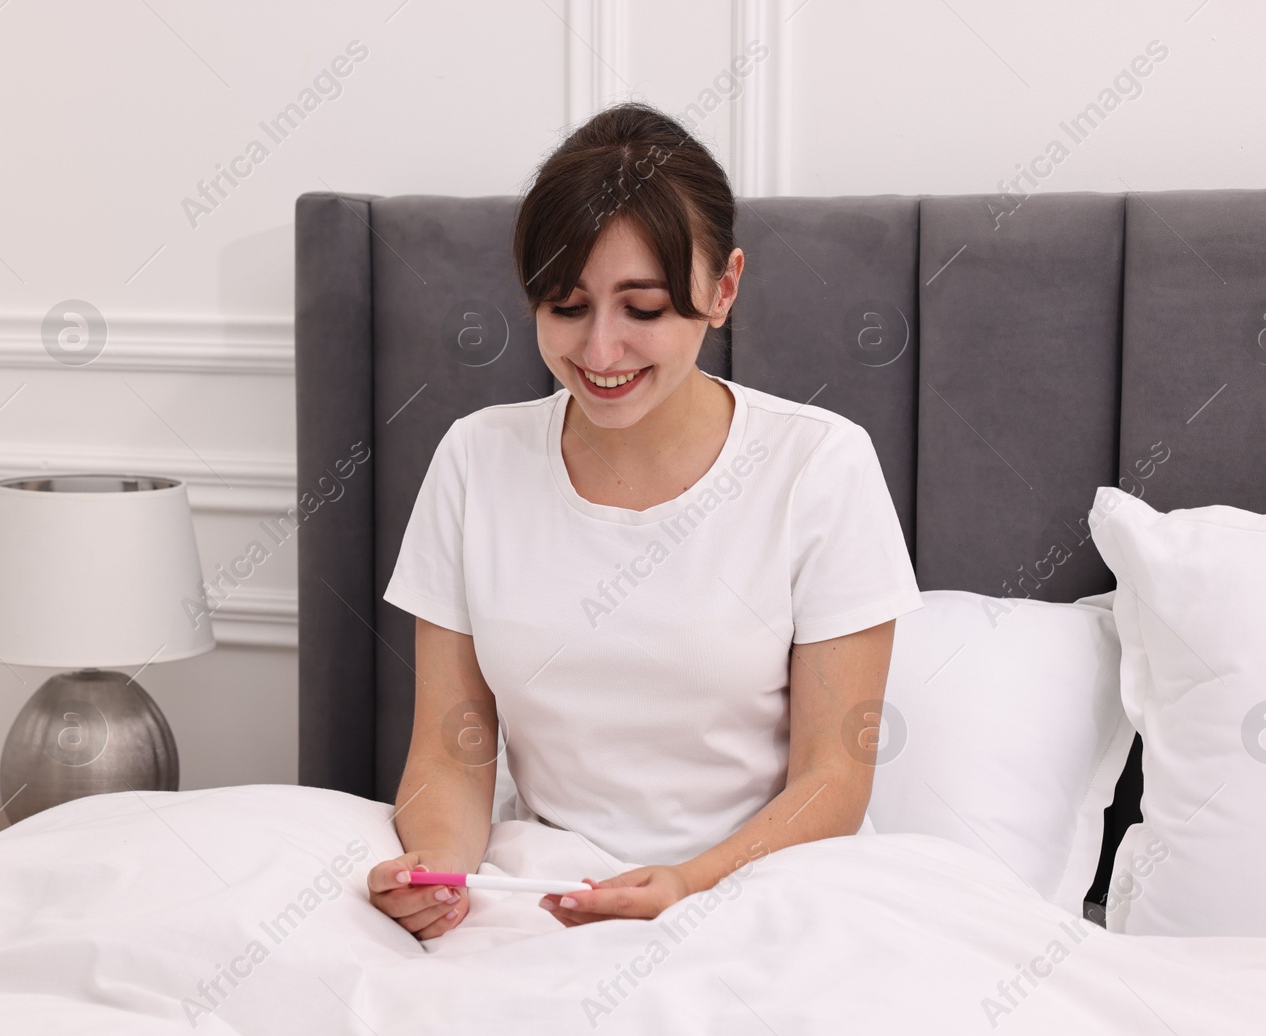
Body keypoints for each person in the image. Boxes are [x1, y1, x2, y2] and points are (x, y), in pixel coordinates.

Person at [366, 102, 923, 942]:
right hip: (545, 893)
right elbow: (452, 749)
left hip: (765, 889)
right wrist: (438, 878)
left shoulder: (819, 467)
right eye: (566, 304)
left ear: (723, 287)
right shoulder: (476, 459)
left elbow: (832, 778)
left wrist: (688, 885)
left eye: (644, 309)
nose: (599, 351)